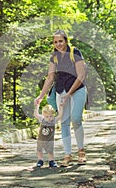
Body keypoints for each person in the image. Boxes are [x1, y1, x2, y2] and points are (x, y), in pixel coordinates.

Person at [34, 29, 87, 167]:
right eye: (55, 42)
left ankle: (81, 151)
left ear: (65, 40)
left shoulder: (75, 53)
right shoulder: (54, 57)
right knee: (63, 122)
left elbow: (81, 75)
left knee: (75, 119)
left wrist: (69, 93)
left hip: (77, 89)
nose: (58, 44)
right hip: (60, 90)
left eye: (60, 41)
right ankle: (67, 154)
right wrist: (40, 96)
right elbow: (50, 77)